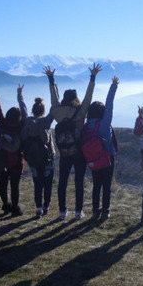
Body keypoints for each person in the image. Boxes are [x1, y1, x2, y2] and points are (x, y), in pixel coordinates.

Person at [44, 63, 102, 220]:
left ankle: (63, 211)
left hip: (63, 151)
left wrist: (51, 78)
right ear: (75, 99)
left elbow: (53, 97)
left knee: (62, 181)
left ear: (64, 98)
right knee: (78, 181)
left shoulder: (56, 110)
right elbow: (89, 96)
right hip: (78, 151)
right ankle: (78, 211)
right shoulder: (80, 112)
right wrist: (93, 77)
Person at [83, 76, 119, 221]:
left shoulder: (86, 127)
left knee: (96, 185)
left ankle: (95, 210)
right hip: (108, 157)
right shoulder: (104, 124)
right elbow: (109, 103)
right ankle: (105, 210)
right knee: (106, 185)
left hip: (92, 160)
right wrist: (114, 85)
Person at [0, 84, 28, 216]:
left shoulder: (2, 123)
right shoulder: (21, 125)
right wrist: (19, 95)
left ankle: (6, 205)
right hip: (17, 159)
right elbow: (24, 111)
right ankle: (15, 208)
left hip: (3, 159)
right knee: (15, 185)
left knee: (3, 183)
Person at [21, 97, 55, 217]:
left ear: (33, 109)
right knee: (48, 184)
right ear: (43, 110)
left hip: (32, 158)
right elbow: (53, 110)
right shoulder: (46, 122)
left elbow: (23, 109)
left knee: (38, 184)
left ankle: (39, 208)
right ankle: (46, 206)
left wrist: (20, 96)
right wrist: (55, 94)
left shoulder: (27, 121)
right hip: (47, 157)